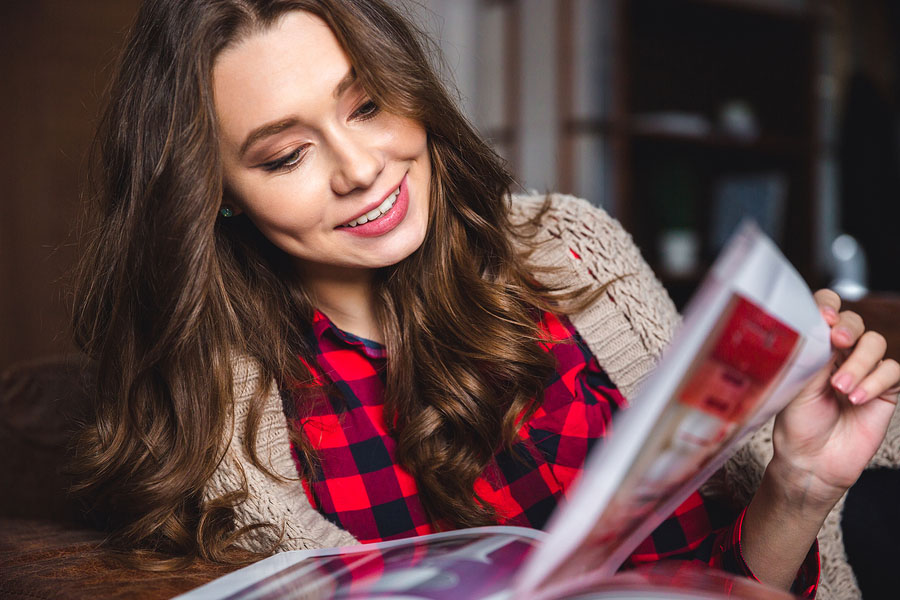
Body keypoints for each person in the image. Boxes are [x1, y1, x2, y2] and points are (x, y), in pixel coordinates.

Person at [71, 0, 899, 596]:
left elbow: (745, 569)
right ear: (216, 193)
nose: (359, 167)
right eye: (287, 155)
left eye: (367, 104)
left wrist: (796, 489)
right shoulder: (226, 411)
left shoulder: (571, 248)